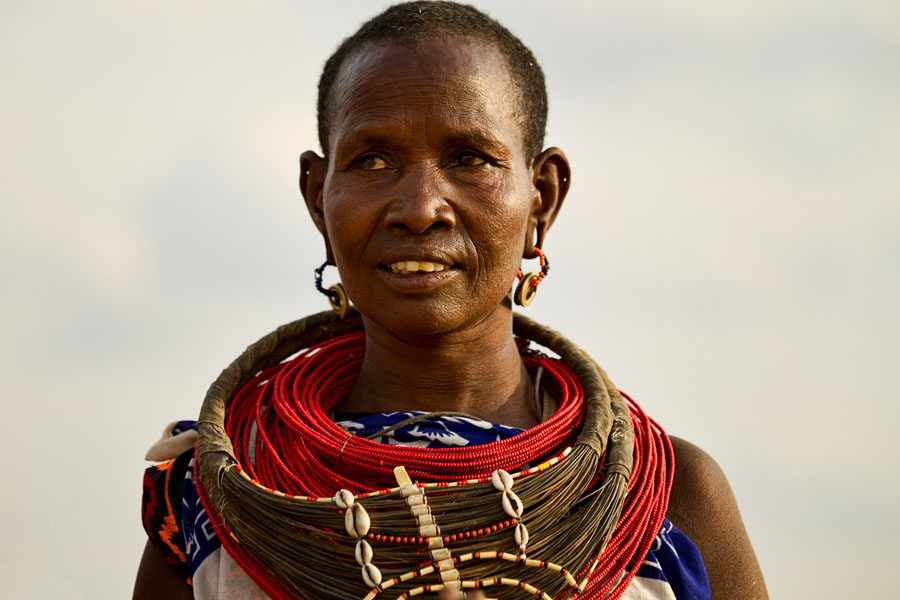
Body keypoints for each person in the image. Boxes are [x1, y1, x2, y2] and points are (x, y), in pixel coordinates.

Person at [134, 2, 767, 599]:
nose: (419, 209)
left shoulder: (669, 495)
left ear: (542, 197)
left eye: (469, 158)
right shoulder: (219, 493)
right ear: (317, 197)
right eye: (372, 160)